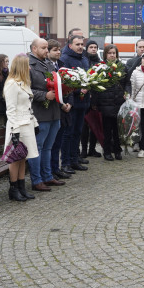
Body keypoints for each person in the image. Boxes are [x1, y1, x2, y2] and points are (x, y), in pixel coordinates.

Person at [26, 38, 64, 192]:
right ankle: (37, 180)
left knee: (48, 147)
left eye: (47, 48)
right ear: (34, 48)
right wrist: (44, 95)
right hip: (40, 112)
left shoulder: (48, 63)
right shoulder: (28, 65)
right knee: (38, 148)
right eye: (43, 48)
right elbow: (25, 89)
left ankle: (47, 176)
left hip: (54, 111)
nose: (47, 51)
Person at [3, 54, 40, 202]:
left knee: (23, 157)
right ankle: (13, 189)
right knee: (15, 158)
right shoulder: (12, 84)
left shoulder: (23, 83)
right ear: (22, 66)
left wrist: (35, 123)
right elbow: (10, 110)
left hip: (27, 124)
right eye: (28, 65)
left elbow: (28, 107)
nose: (30, 67)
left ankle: (22, 187)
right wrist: (15, 131)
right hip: (17, 125)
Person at [59, 35, 91, 172]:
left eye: (81, 44)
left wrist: (89, 85)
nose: (80, 47)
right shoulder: (64, 59)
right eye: (77, 44)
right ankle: (65, 162)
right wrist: (78, 89)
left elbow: (88, 77)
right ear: (70, 45)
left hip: (83, 103)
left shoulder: (84, 59)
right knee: (68, 133)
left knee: (78, 132)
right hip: (71, 103)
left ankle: (74, 159)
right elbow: (64, 81)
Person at [94, 45, 127, 161]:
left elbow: (127, 83)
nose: (112, 55)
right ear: (105, 55)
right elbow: (96, 86)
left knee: (118, 129)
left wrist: (126, 93)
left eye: (114, 53)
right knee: (107, 129)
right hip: (105, 103)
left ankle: (117, 150)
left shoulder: (122, 67)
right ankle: (107, 151)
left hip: (118, 102)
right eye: (110, 53)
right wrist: (97, 103)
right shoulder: (100, 67)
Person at [46, 39, 73, 181]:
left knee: (59, 142)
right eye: (55, 50)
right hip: (54, 109)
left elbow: (70, 86)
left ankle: (56, 169)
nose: (58, 52)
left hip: (65, 109)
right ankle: (50, 170)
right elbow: (50, 89)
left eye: (59, 50)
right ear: (48, 52)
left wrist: (69, 104)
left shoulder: (62, 65)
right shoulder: (47, 67)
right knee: (52, 143)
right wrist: (61, 104)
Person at [80, 39, 102, 158]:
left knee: (94, 124)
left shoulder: (99, 62)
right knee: (84, 126)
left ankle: (92, 149)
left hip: (96, 98)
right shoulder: (83, 60)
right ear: (87, 48)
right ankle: (83, 149)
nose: (93, 49)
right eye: (91, 47)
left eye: (95, 47)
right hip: (84, 96)